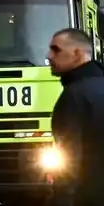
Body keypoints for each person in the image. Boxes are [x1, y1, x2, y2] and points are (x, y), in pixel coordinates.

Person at [47, 28, 104, 206]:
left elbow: (68, 162)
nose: (49, 56)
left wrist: (62, 199)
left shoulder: (74, 96)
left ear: (77, 54)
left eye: (56, 50)